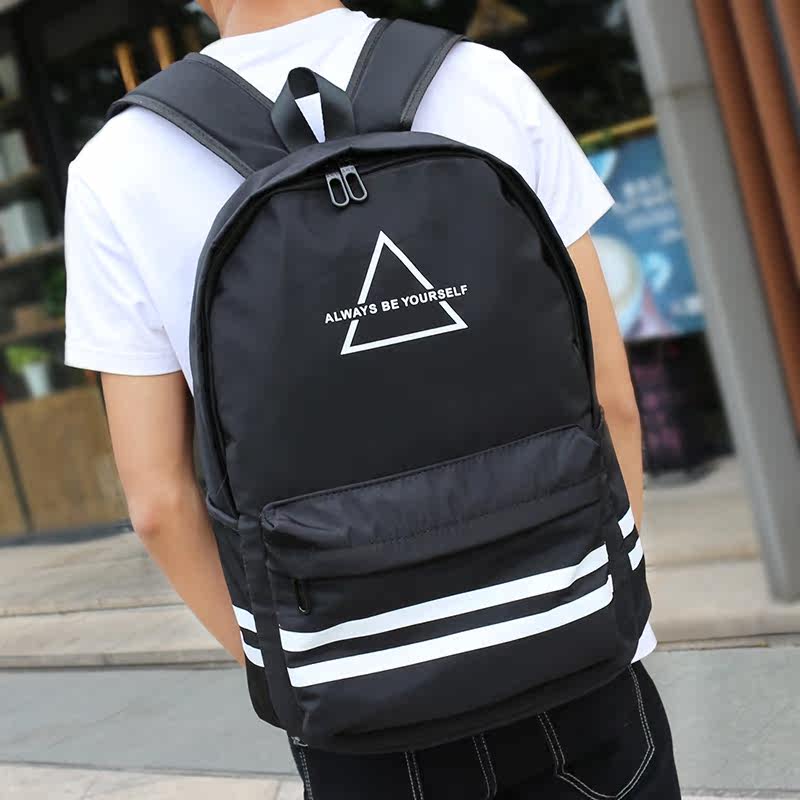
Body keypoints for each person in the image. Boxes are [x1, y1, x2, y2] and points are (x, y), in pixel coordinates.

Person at [64, 1, 680, 797]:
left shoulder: (119, 167)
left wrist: (300, 668)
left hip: (360, 718)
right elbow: (611, 399)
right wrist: (587, 597)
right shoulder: (481, 81)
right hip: (580, 671)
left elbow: (158, 505)